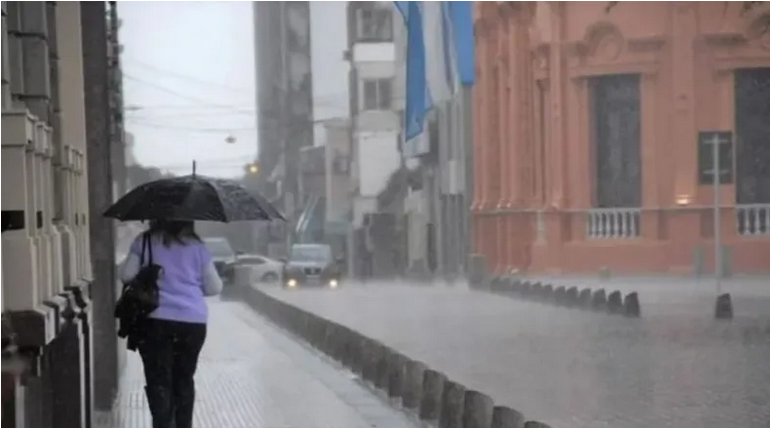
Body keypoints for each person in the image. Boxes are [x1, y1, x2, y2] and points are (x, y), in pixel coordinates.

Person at [119, 220, 223, 428]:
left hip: (155, 321)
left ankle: (163, 423)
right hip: (192, 323)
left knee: (159, 379)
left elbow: (126, 275)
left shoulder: (145, 241)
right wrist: (188, 287)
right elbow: (214, 287)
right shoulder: (197, 246)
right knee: (184, 378)